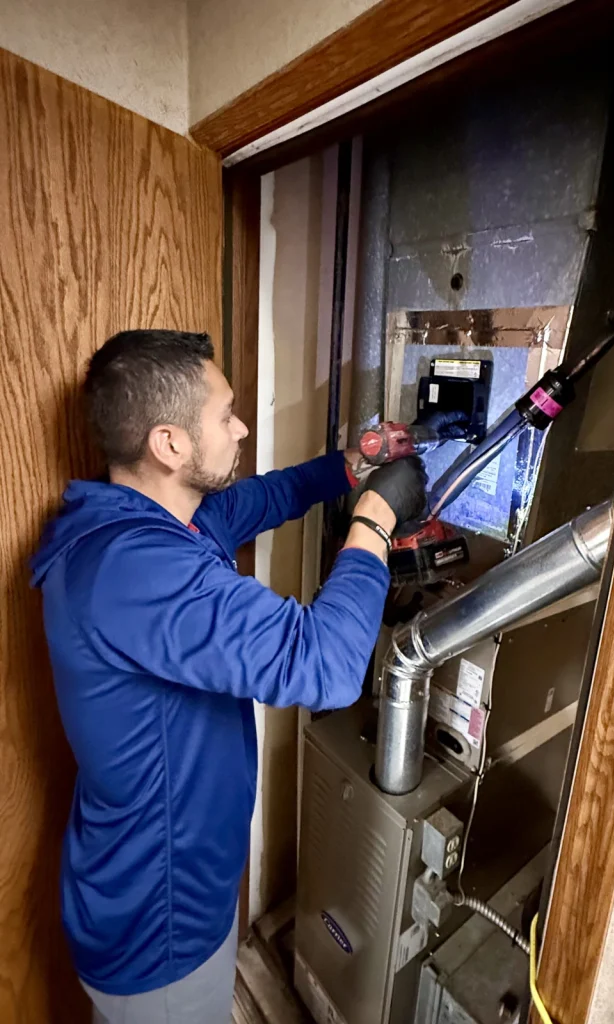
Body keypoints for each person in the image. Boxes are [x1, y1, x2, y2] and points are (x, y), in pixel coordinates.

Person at [30, 329, 427, 1024]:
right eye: (225, 414)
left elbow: (261, 499)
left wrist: (348, 468)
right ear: (170, 444)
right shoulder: (139, 573)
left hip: (157, 889)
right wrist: (374, 524)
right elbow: (326, 666)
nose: (242, 426)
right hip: (160, 928)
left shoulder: (153, 525)